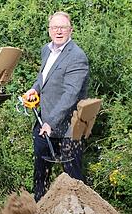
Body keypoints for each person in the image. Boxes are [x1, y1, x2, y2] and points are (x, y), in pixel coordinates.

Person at [23, 11, 90, 201]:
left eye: (63, 27)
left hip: (69, 128)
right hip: (44, 123)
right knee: (40, 176)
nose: (58, 31)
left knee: (73, 180)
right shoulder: (47, 50)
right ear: (49, 30)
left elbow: (71, 94)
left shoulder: (77, 56)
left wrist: (51, 122)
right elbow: (43, 77)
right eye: (54, 27)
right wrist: (34, 89)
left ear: (71, 30)